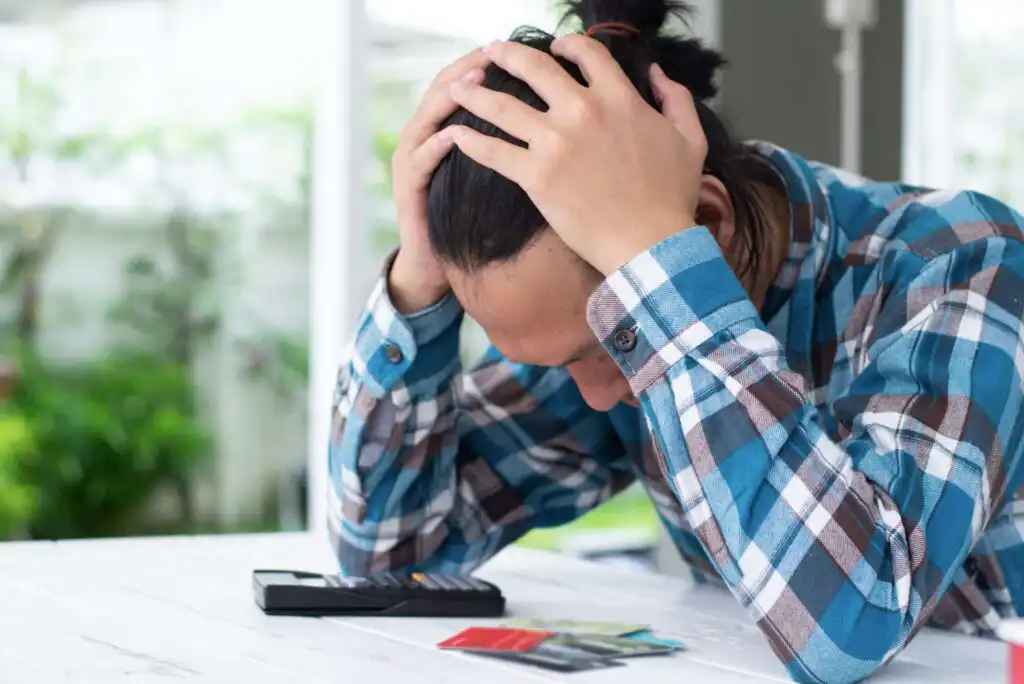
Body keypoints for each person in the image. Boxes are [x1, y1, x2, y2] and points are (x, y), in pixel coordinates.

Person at [327, 0, 1024, 681]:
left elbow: (852, 624)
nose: (597, 398)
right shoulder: (585, 318)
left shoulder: (961, 262)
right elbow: (394, 561)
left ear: (710, 224)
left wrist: (663, 271)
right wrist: (415, 288)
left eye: (601, 348)